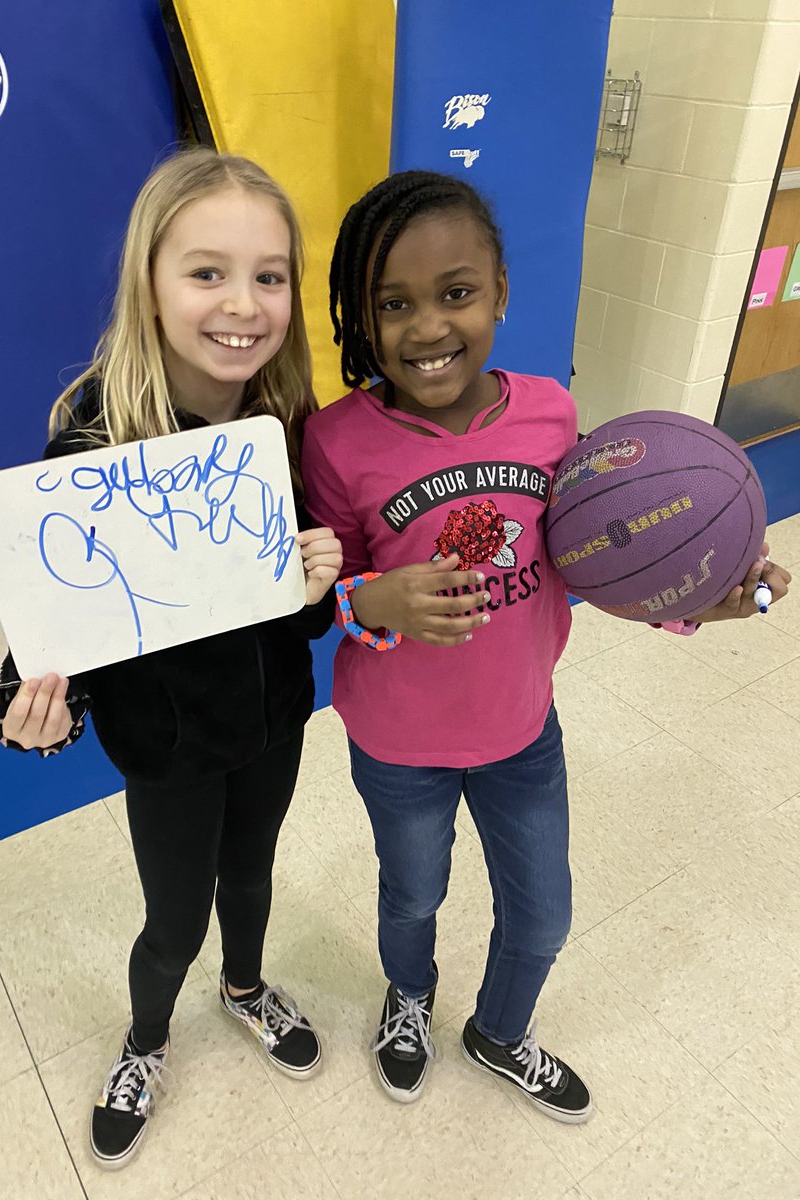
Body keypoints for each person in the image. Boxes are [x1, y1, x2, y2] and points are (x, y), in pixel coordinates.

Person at [302, 169, 791, 1117]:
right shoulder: (336, 440)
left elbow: (592, 558)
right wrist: (377, 600)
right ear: (360, 315)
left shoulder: (549, 416)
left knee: (546, 910)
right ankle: (408, 997)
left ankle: (499, 1030)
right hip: (398, 744)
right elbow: (327, 599)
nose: (428, 328)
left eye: (456, 294)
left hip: (524, 731)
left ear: (500, 292)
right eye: (392, 304)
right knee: (412, 897)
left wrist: (694, 604)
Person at [0, 147, 342, 1169]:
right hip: (167, 745)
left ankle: (245, 987)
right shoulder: (90, 441)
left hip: (274, 718)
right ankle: (145, 1043)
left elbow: (300, 615)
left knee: (254, 874)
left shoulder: (284, 425)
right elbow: (52, 630)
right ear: (149, 281)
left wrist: (316, 584)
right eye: (207, 272)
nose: (244, 302)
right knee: (173, 917)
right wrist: (32, 708)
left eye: (269, 275)